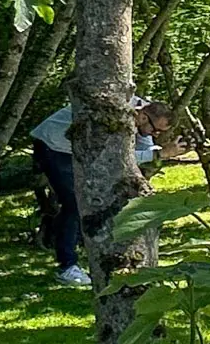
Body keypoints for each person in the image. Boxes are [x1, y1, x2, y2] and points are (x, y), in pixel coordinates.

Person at [30, 99, 176, 287]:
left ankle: (76, 244)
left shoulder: (142, 112)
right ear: (142, 116)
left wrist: (164, 152)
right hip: (54, 145)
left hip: (73, 148)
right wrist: (160, 154)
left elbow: (145, 148)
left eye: (160, 133)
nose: (155, 134)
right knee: (74, 204)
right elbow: (118, 157)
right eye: (155, 130)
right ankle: (67, 266)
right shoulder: (114, 114)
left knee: (94, 199)